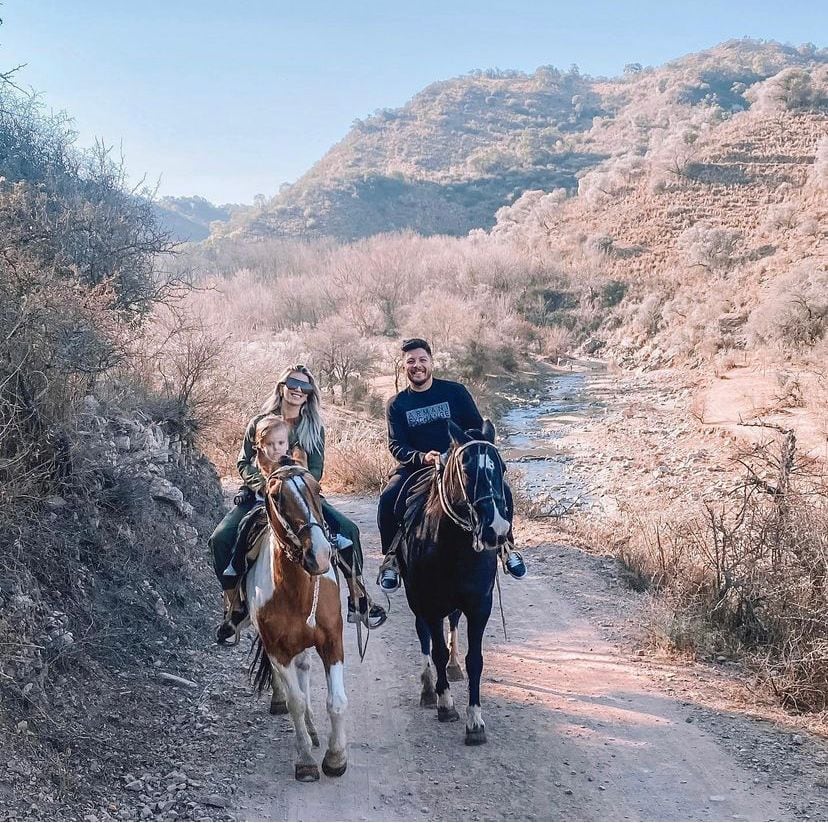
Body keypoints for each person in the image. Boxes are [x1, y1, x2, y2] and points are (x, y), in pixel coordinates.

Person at [209, 364, 387, 644]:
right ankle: (234, 607)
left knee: (348, 530)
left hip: (301, 495)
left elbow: (316, 470)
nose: (298, 390)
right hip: (261, 495)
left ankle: (358, 597)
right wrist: (261, 483)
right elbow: (243, 461)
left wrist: (296, 482)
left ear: (310, 394)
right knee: (220, 538)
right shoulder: (259, 422)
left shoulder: (314, 429)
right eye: (293, 383)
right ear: (282, 386)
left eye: (305, 387)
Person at [376, 338, 526, 592]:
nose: (417, 366)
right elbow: (396, 445)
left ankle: (506, 545)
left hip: (461, 465)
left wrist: (460, 452)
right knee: (389, 498)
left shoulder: (455, 392)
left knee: (502, 489)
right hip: (419, 467)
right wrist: (422, 456)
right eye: (410, 361)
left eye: (422, 360)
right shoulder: (397, 404)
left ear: (431, 362)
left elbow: (476, 427)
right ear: (403, 367)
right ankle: (391, 559)